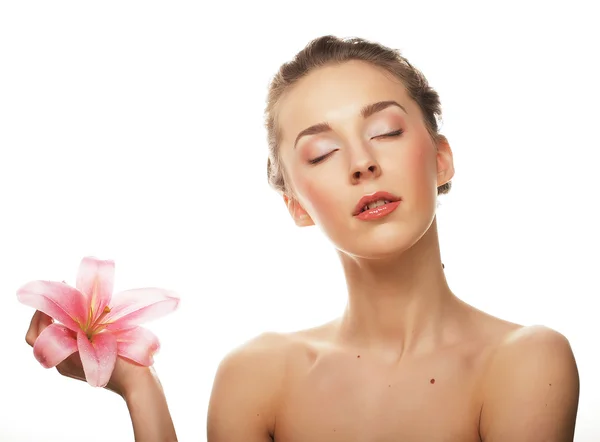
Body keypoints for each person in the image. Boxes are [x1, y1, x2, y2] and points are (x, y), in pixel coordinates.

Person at [25, 35, 580, 441]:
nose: (362, 162)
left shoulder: (527, 361)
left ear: (440, 159)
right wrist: (138, 388)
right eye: (322, 152)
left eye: (385, 131)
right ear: (296, 206)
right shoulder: (257, 375)